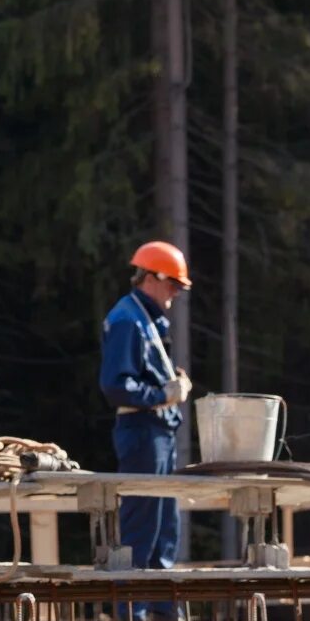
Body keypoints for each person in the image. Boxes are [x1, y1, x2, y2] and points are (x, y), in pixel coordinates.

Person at [99, 241, 194, 594]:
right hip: (141, 430)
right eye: (172, 285)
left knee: (165, 523)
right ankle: (133, 610)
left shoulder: (144, 317)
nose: (175, 294)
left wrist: (168, 386)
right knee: (142, 521)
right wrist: (163, 395)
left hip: (157, 431)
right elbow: (115, 385)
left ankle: (159, 607)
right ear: (151, 278)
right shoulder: (127, 319)